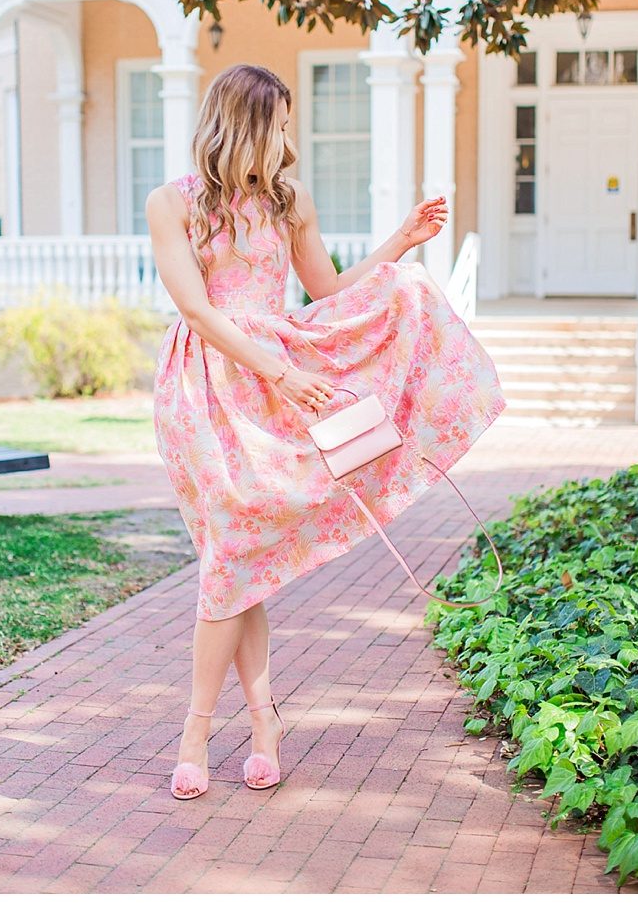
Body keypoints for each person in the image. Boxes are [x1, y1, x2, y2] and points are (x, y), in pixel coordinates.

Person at [145, 63, 507, 799]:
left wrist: (398, 245)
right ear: (244, 123)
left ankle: (236, 726)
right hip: (206, 391)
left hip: (278, 387)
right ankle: (229, 725)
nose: (289, 135)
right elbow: (198, 311)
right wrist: (280, 373)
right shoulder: (173, 203)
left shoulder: (289, 203)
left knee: (241, 561)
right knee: (232, 559)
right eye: (279, 120)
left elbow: (331, 294)